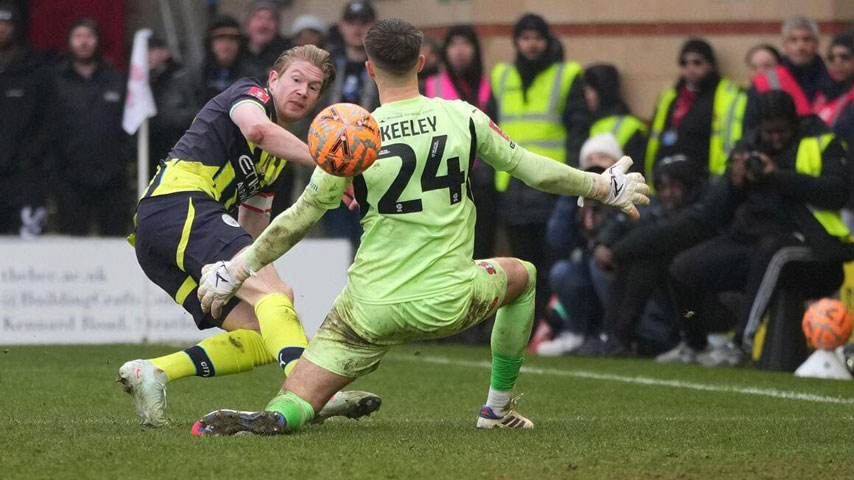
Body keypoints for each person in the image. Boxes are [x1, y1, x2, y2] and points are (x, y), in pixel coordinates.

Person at [189, 18, 649, 436]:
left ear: (369, 69)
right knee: (523, 276)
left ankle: (275, 417)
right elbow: (530, 169)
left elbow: (299, 218)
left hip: (369, 309)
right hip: (450, 299)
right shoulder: (462, 116)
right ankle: (496, 410)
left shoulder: (354, 135)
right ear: (422, 63)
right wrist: (602, 187)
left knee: (295, 399)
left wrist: (237, 268)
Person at [117, 45, 378, 427]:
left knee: (260, 331)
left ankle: (153, 371)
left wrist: (254, 268)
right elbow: (257, 129)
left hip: (155, 242)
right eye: (296, 80)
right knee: (276, 296)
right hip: (179, 204)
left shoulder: (275, 160)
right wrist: (334, 163)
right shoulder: (248, 94)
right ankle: (312, 390)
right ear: (273, 79)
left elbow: (253, 228)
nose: (303, 91)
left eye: (314, 87)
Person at [658, 91, 852, 367]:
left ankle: (741, 344)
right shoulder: (747, 147)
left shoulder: (821, 142)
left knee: (772, 251)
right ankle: (693, 342)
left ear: (794, 123)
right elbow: (715, 211)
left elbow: (837, 193)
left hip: (813, 245)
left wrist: (779, 176)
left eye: (782, 131)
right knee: (682, 269)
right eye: (769, 131)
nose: (776, 138)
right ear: (758, 127)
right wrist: (733, 183)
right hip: (749, 239)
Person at [489, 13, 591, 324]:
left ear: (547, 41)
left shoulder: (568, 73)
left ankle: (548, 324)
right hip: (511, 184)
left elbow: (578, 128)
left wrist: (572, 176)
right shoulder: (501, 76)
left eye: (537, 38)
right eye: (525, 38)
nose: (532, 45)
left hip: (551, 183)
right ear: (516, 42)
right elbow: (489, 126)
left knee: (550, 260)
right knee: (520, 264)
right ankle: (525, 324)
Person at [536, 134, 624, 356]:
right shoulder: (579, 199)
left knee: (600, 264)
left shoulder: (630, 191)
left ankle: (613, 334)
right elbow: (557, 238)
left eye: (603, 157)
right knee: (561, 272)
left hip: (621, 272)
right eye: (590, 159)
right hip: (587, 273)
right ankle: (576, 333)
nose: (596, 164)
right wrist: (572, 192)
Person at [51, 18, 130, 236]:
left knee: (113, 238)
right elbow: (47, 125)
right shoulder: (56, 79)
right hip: (69, 178)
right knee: (72, 240)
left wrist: (123, 156)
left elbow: (131, 123)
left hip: (112, 178)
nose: (83, 42)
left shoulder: (116, 78)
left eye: (89, 36)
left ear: (98, 41)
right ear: (69, 41)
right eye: (78, 37)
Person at [424, 25, 496, 260]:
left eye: (466, 44)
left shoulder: (486, 86)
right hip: (442, 183)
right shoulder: (429, 84)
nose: (460, 50)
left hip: (481, 182)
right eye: (454, 44)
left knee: (481, 252)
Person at [321, 0, 379, 248]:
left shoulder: (383, 64)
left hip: (373, 164)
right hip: (329, 164)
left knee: (370, 242)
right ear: (342, 27)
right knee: (336, 243)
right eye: (351, 23)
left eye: (364, 23)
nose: (357, 29)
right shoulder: (326, 64)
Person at [646, 38, 747, 181]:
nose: (690, 68)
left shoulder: (726, 95)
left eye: (697, 62)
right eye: (684, 63)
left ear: (711, 65)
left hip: (703, 179)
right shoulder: (670, 96)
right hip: (665, 177)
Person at [0, 1, 51, 237]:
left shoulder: (34, 68)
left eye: (6, 22)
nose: (1, 28)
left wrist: (30, 156)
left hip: (24, 176)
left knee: (25, 243)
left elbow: (47, 120)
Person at [746, 17, 832, 128]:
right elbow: (751, 128)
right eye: (793, 40)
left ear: (816, 43)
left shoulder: (834, 78)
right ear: (784, 45)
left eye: (806, 39)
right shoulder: (765, 82)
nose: (800, 46)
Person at [148, 35, 199, 175]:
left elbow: (193, 110)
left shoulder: (181, 77)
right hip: (153, 148)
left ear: (165, 52)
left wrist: (167, 118)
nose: (148, 56)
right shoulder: (144, 81)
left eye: (152, 50)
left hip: (177, 145)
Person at [584, 63, 647, 170]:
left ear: (602, 92)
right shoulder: (588, 120)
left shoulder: (630, 126)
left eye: (590, 90)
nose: (586, 96)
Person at [198, 16, 253, 103]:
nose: (226, 45)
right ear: (210, 44)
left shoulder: (253, 76)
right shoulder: (196, 76)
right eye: (220, 39)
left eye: (232, 39)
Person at [243, 1, 293, 80]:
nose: (264, 24)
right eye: (259, 18)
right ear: (247, 24)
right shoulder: (236, 52)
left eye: (270, 19)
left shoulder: (288, 55)